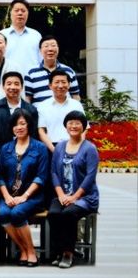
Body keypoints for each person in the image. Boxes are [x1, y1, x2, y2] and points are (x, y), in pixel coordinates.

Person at [0, 109, 49, 268]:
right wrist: (7, 196)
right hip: (9, 195)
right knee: (4, 213)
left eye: (22, 124)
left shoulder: (40, 148)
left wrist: (24, 196)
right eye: (15, 125)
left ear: (29, 125)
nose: (18, 127)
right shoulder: (5, 148)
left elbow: (41, 177)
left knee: (17, 213)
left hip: (32, 196)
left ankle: (31, 252)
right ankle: (24, 249)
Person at [48, 110, 99, 269]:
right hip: (63, 195)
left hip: (84, 197)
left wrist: (74, 197)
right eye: (70, 123)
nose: (74, 126)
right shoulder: (60, 147)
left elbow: (90, 176)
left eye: (78, 123)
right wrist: (61, 194)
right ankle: (58, 251)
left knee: (68, 214)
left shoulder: (89, 148)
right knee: (54, 213)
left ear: (83, 126)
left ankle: (68, 253)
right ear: (66, 126)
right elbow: (54, 172)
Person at [36, 70, 85, 152]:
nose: (60, 86)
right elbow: (41, 130)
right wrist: (54, 150)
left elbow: (84, 128)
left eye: (63, 82)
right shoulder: (42, 106)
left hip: (74, 146)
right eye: (57, 82)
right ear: (50, 86)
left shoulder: (76, 105)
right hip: (50, 147)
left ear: (69, 85)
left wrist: (78, 146)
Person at [25, 36, 81, 105]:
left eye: (53, 45)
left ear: (58, 49)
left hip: (65, 111)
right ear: (40, 50)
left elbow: (75, 96)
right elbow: (27, 98)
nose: (50, 49)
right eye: (46, 46)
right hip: (39, 111)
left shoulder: (68, 71)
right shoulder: (31, 73)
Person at [0, 72, 39, 149]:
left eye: (16, 84)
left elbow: (34, 134)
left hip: (28, 151)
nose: (12, 87)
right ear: (3, 87)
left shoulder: (31, 109)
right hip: (2, 152)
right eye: (9, 84)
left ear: (22, 87)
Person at [0, 0, 42, 72]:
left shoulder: (36, 35)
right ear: (10, 13)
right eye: (16, 10)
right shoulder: (2, 35)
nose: (20, 13)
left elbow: (42, 59)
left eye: (23, 11)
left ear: (27, 13)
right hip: (8, 78)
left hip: (32, 78)